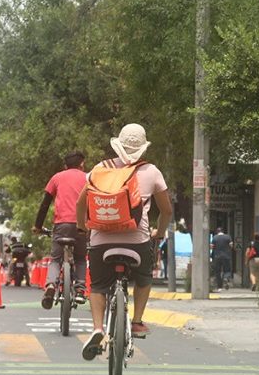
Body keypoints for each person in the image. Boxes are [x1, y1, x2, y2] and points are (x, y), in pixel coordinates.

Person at [77, 123, 172, 359]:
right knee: (144, 277)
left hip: (101, 241)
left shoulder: (100, 168)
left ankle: (98, 328)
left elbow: (81, 203)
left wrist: (83, 229)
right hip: (137, 241)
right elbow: (167, 211)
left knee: (98, 286)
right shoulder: (151, 172)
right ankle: (137, 321)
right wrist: (158, 232)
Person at [33, 151, 89, 308]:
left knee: (56, 259)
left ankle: (51, 285)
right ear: (82, 164)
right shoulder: (88, 178)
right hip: (81, 225)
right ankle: (79, 290)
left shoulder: (57, 177)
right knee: (79, 258)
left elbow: (45, 204)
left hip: (61, 225)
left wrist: (37, 226)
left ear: (65, 166)